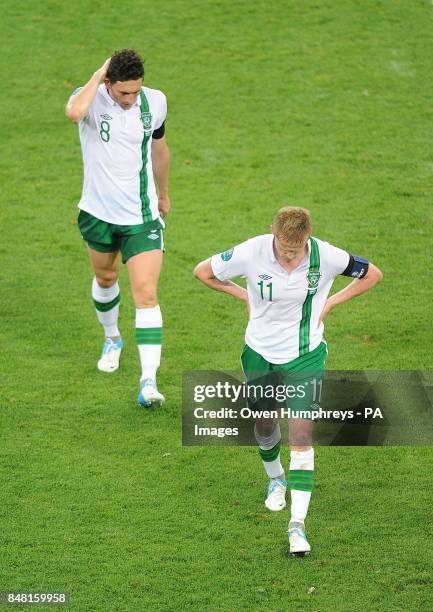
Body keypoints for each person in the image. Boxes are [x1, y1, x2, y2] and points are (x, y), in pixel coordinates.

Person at [193, 206, 383, 554]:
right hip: (260, 353)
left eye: (295, 250)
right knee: (265, 424)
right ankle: (275, 478)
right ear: (273, 233)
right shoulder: (252, 252)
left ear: (307, 238)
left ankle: (297, 526)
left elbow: (372, 274)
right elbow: (203, 272)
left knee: (301, 435)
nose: (288, 255)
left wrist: (331, 304)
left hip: (305, 355)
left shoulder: (327, 256)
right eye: (283, 248)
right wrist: (244, 296)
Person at [65, 49, 170, 407]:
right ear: (108, 83)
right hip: (97, 213)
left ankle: (148, 382)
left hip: (141, 217)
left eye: (135, 92)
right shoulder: (90, 98)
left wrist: (164, 195)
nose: (130, 99)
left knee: (146, 293)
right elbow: (73, 112)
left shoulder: (154, 102)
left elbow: (159, 149)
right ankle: (112, 337)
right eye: (123, 92)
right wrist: (98, 74)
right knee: (106, 279)